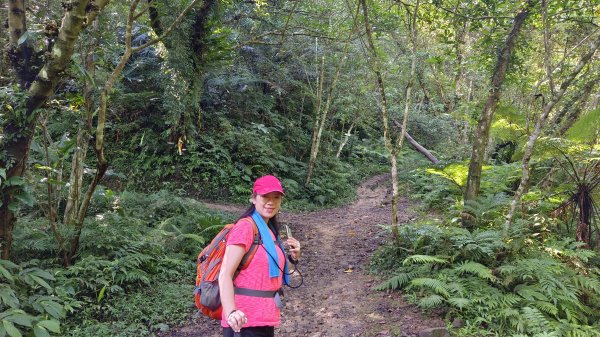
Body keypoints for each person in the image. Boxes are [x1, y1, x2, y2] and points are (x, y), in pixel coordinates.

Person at [218, 175, 301, 337]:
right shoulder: (245, 228)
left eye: (276, 197)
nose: (271, 202)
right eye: (265, 196)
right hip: (243, 322)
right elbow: (225, 274)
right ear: (253, 198)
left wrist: (293, 257)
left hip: (265, 319)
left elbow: (271, 275)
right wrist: (231, 312)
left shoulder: (269, 231)